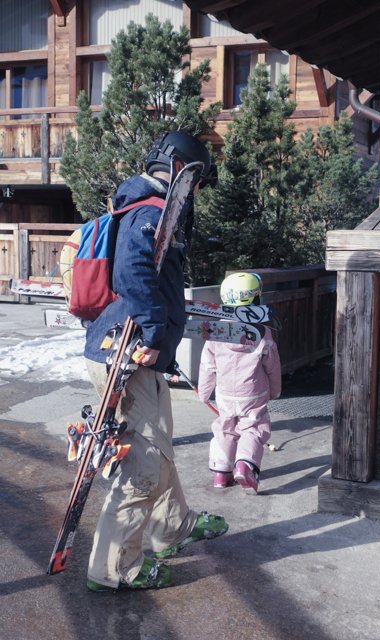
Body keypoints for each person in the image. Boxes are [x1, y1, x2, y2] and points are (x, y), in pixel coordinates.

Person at [83, 131, 228, 592]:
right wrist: (150, 332)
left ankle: (173, 527)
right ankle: (113, 569)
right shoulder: (148, 212)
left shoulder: (147, 208)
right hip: (129, 352)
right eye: (197, 181)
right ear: (183, 171)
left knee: (157, 448)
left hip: (136, 352)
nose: (197, 192)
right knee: (142, 463)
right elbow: (133, 273)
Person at [197, 272, 282, 494]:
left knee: (225, 428)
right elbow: (272, 366)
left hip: (225, 394)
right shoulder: (262, 332)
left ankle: (220, 472)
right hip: (253, 393)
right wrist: (275, 390)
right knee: (253, 428)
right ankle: (245, 465)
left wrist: (204, 393)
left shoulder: (216, 331)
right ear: (255, 299)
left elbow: (208, 365)